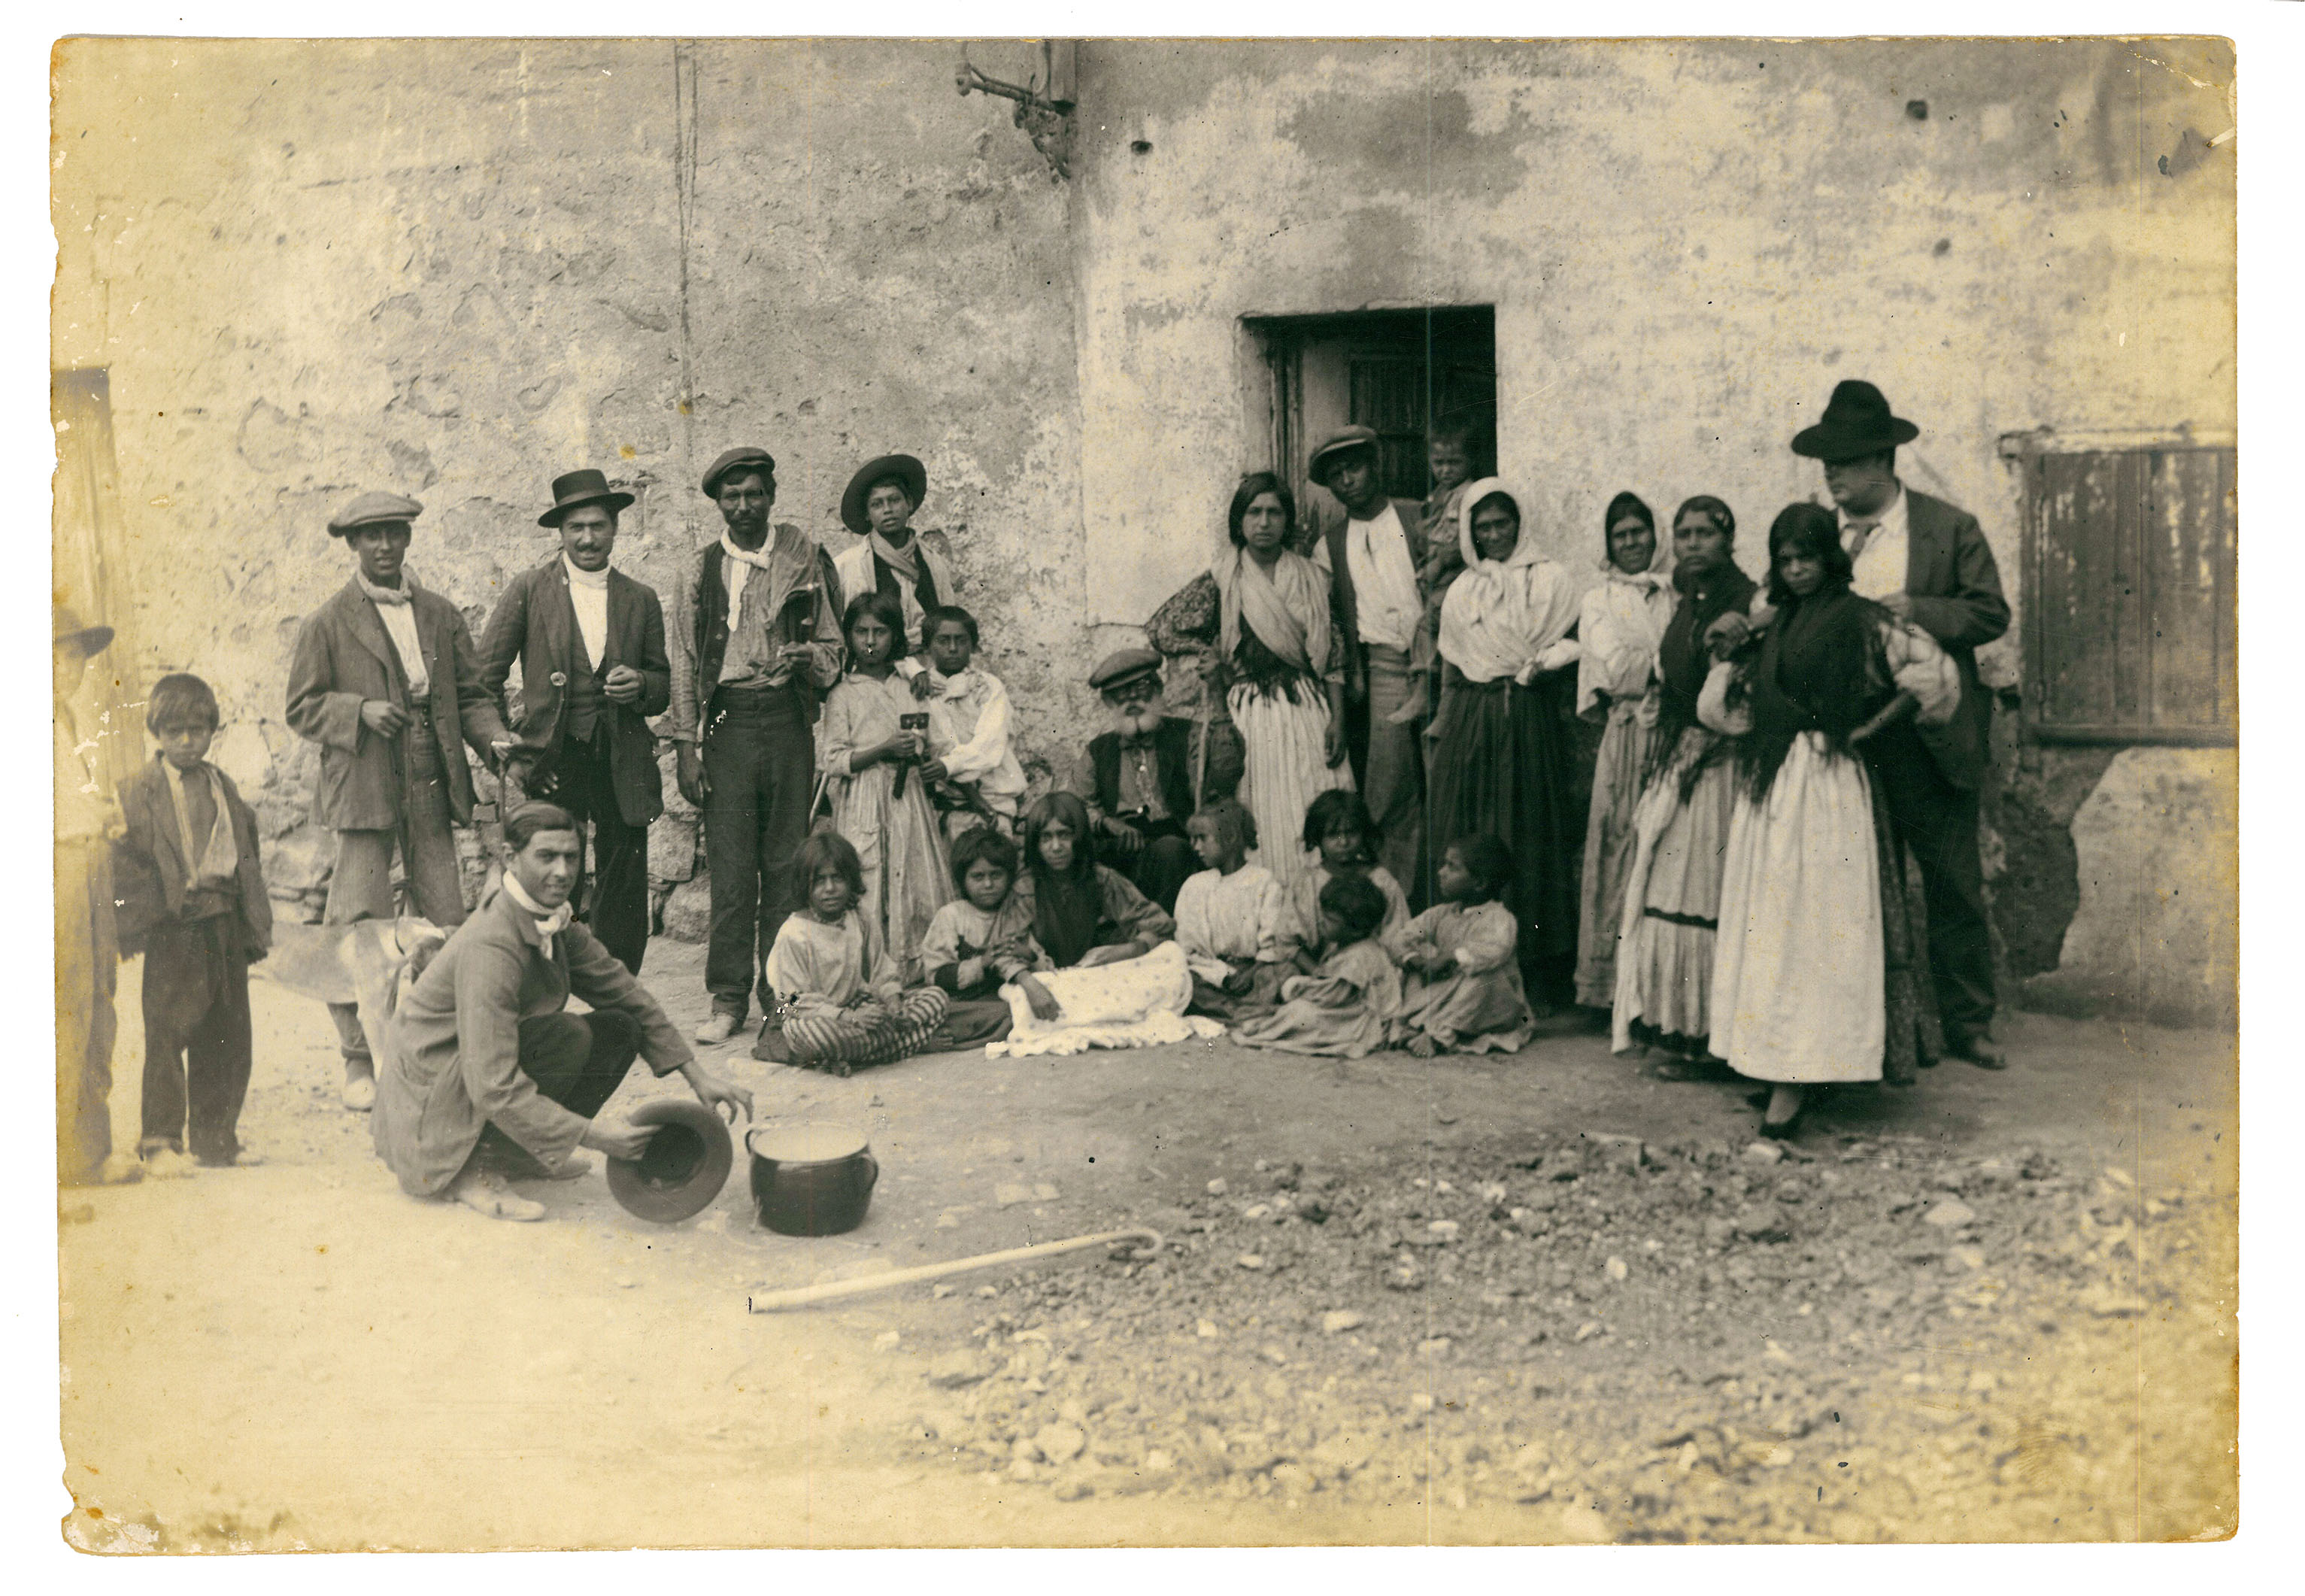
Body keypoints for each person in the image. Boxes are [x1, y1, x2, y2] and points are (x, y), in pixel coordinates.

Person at [1702, 503, 1960, 1136]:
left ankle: (1806, 1074)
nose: (1796, 570)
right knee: (1771, 927)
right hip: (1772, 790)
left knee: (1817, 929)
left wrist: (1867, 729)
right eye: (1785, 560)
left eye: (1807, 557)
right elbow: (1720, 700)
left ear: (1829, 558)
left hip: (1827, 790)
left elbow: (1935, 676)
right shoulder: (1774, 622)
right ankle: (1775, 1062)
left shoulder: (1863, 619)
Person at [372, 802, 754, 1222]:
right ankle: (474, 1169)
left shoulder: (549, 916)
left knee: (619, 1028)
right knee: (565, 1037)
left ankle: (523, 1153)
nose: (562, 871)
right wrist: (595, 1137)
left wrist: (696, 1074)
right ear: (509, 857)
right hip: (432, 1102)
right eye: (546, 857)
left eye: (571, 857)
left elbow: (625, 992)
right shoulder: (491, 947)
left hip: (468, 1070)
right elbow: (492, 1084)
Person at [1791, 379, 2009, 1069]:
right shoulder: (1821, 536)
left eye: (1846, 460)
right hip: (1851, 741)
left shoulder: (1949, 528)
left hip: (1930, 734)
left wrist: (1914, 608)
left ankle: (1967, 1024)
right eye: (1826, 461)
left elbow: (1988, 613)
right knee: (1852, 885)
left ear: (1885, 461)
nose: (1832, 473)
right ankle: (1880, 1032)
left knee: (1950, 881)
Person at [286, 490, 511, 1110]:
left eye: (394, 533)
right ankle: (358, 1060)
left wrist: (495, 740)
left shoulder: (438, 614)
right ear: (353, 546)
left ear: (408, 539)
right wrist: (359, 710)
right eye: (371, 536)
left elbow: (469, 695)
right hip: (361, 781)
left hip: (430, 773)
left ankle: (441, 1050)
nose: (385, 546)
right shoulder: (328, 621)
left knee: (446, 918)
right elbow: (301, 706)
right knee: (355, 925)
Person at [665, 446, 844, 1045]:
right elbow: (685, 664)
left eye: (754, 494)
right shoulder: (699, 570)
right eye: (731, 496)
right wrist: (687, 748)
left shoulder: (806, 559)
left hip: (787, 719)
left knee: (785, 862)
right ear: (718, 503)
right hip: (726, 722)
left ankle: (780, 995)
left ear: (771, 497)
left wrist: (808, 659)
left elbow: (834, 650)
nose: (743, 506)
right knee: (734, 870)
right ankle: (726, 998)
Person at [478, 468, 670, 976]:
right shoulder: (529, 590)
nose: (587, 538)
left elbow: (662, 685)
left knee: (624, 878)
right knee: (551, 874)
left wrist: (642, 686)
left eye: (598, 526)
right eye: (576, 528)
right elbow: (482, 679)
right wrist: (512, 755)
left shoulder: (640, 598)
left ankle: (618, 987)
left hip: (621, 759)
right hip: (554, 762)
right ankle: (549, 981)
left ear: (614, 529)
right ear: (560, 533)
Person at [1142, 474, 1351, 900]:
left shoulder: (1311, 577)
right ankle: (1261, 909)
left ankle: (1315, 907)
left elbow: (1334, 656)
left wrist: (1339, 720)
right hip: (1247, 712)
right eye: (1254, 513)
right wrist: (1213, 654)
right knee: (1259, 807)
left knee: (1309, 803)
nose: (1264, 523)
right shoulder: (1224, 577)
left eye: (1274, 512)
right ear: (1239, 521)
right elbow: (1162, 628)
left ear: (1287, 520)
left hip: (1305, 709)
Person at [1610, 496, 1758, 1075]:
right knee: (1669, 885)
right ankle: (1680, 1028)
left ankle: (1714, 1041)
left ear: (1727, 540)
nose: (1692, 543)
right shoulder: (1687, 601)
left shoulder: (1748, 602)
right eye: (1684, 533)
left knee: (1706, 890)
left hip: (1724, 765)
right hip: (1681, 757)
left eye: (1704, 533)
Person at [1424, 478, 1585, 1009]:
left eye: (1502, 523)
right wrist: (1443, 728)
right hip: (1474, 714)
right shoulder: (1462, 591)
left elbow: (1568, 642)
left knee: (1527, 827)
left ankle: (1532, 962)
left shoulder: (1550, 580)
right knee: (1470, 826)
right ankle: (1459, 955)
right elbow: (1452, 666)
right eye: (1483, 527)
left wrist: (1545, 664)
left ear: (1519, 524)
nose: (1494, 535)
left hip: (1527, 715)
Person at [111, 673, 272, 1173]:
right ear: (156, 733)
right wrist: (147, 916)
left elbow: (247, 852)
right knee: (168, 1031)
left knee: (227, 1031)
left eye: (197, 731)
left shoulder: (221, 785)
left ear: (211, 732)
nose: (186, 741)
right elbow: (128, 861)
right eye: (175, 731)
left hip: (222, 922)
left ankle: (216, 1137)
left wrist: (251, 923)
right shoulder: (139, 790)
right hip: (174, 927)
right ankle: (160, 1141)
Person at [1307, 425, 1436, 900]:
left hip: (1441, 662)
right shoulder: (1330, 544)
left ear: (1375, 465)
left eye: (1354, 467)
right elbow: (1333, 627)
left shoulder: (1417, 516)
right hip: (1383, 668)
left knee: (1446, 776)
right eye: (1336, 475)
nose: (1348, 480)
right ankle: (1395, 899)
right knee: (1390, 787)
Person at [818, 590, 956, 985]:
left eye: (880, 632)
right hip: (863, 798)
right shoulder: (843, 694)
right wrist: (880, 750)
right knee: (868, 879)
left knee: (913, 875)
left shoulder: (911, 687)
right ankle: (871, 975)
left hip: (908, 796)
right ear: (849, 637)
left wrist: (930, 763)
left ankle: (915, 972)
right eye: (861, 632)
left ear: (895, 636)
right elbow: (833, 759)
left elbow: (938, 741)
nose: (870, 641)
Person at [1573, 491, 1675, 1012]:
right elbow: (1613, 669)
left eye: (1639, 532)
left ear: (1656, 537)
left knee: (1669, 853)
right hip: (1628, 733)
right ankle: (1611, 989)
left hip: (1676, 732)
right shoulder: (1599, 601)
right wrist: (1668, 663)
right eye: (1621, 535)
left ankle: (1660, 993)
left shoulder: (1678, 593)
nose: (1631, 543)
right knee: (1620, 845)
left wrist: (1661, 664)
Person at [55, 603, 140, 1187]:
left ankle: (89, 1150)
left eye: (77, 655)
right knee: (63, 1002)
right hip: (53, 865)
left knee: (100, 997)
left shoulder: (79, 724)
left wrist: (109, 814)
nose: (69, 667)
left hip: (93, 863)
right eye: (56, 655)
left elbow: (90, 795)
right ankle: (52, 1159)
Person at [755, 830, 952, 1074]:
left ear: (851, 880)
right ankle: (910, 1043)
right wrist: (847, 1017)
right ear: (804, 886)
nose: (830, 889)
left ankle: (848, 1058)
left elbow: (881, 969)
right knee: (815, 1036)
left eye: (837, 878)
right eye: (819, 881)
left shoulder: (858, 918)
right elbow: (790, 1003)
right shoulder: (792, 935)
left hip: (857, 1008)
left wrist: (893, 1000)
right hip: (815, 1019)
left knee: (936, 998)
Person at [1068, 648, 1241, 913]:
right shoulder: (1097, 751)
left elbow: (1223, 779)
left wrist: (1218, 695)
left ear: (1158, 689)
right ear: (1109, 702)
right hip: (1120, 847)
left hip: (1177, 842)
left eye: (1141, 687)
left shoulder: (1188, 735)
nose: (1132, 699)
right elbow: (1076, 806)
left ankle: (1163, 936)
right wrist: (1105, 823)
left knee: (1170, 851)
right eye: (1121, 694)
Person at [1385, 834, 1537, 1057]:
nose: (1441, 872)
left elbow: (1493, 951)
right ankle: (1415, 1024)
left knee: (1484, 978)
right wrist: (1415, 960)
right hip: (1450, 993)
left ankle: (1441, 1034)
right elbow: (1402, 937)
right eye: (1444, 865)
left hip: (1490, 1006)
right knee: (1417, 957)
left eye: (1452, 867)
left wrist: (1450, 957)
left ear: (1480, 883)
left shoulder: (1499, 918)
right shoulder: (1440, 915)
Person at [1232, 873, 1403, 1060]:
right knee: (1299, 1010)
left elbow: (1332, 996)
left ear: (1356, 929)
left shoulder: (1360, 956)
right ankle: (1270, 1025)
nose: (1321, 922)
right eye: (1323, 916)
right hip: (1348, 1011)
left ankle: (1264, 1032)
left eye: (1331, 921)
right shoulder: (1347, 945)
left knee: (1301, 1012)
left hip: (1364, 1021)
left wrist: (1298, 988)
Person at [920, 828, 1060, 1048]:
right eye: (978, 877)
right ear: (962, 879)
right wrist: (983, 962)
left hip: (999, 997)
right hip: (963, 1002)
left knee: (1022, 1006)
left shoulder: (1016, 912)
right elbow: (936, 976)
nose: (988, 885)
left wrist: (1029, 955)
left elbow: (1043, 966)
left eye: (996, 875)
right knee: (940, 1009)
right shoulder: (952, 915)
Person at [1010, 791, 1177, 970]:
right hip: (1042, 979)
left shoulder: (1102, 880)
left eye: (1064, 835)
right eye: (1046, 838)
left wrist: (1127, 950)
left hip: (1094, 975)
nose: (1056, 847)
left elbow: (1160, 926)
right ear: (1035, 844)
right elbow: (1011, 946)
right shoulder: (1025, 887)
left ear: (1079, 836)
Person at [908, 605, 1028, 838]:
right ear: (928, 646)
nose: (952, 648)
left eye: (961, 640)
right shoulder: (920, 689)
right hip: (942, 807)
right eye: (943, 641)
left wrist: (948, 766)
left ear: (973, 645)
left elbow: (989, 744)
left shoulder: (988, 687)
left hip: (993, 803)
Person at [1174, 799, 1297, 1021]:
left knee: (1284, 973)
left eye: (1203, 839)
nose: (1196, 847)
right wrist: (1220, 974)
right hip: (1210, 971)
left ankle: (1236, 1008)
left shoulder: (1263, 881)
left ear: (1230, 838)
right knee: (1179, 976)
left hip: (1253, 971)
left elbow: (1273, 941)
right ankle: (1236, 1009)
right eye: (1193, 840)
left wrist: (1251, 972)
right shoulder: (1195, 885)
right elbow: (1188, 945)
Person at [833, 453, 957, 648]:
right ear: (867, 513)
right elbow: (835, 634)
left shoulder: (933, 563)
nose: (887, 509)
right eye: (877, 504)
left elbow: (950, 625)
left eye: (894, 500)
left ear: (909, 503)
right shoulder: (846, 566)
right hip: (873, 668)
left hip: (929, 667)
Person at [1290, 789, 1411, 969]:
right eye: (1333, 835)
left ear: (1364, 833)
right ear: (1317, 837)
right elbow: (1290, 943)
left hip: (1373, 970)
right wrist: (1319, 974)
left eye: (1351, 833)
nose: (1344, 842)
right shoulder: (1309, 882)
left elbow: (1399, 937)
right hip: (1320, 970)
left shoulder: (1381, 881)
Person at [1410, 424, 1477, 723]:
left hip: (1457, 575)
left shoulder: (1469, 495)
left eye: (1454, 462)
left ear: (1470, 462)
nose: (1446, 470)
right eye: (1439, 463)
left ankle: (1425, 691)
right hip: (1440, 573)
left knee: (1430, 624)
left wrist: (1437, 563)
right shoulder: (1441, 494)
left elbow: (1462, 542)